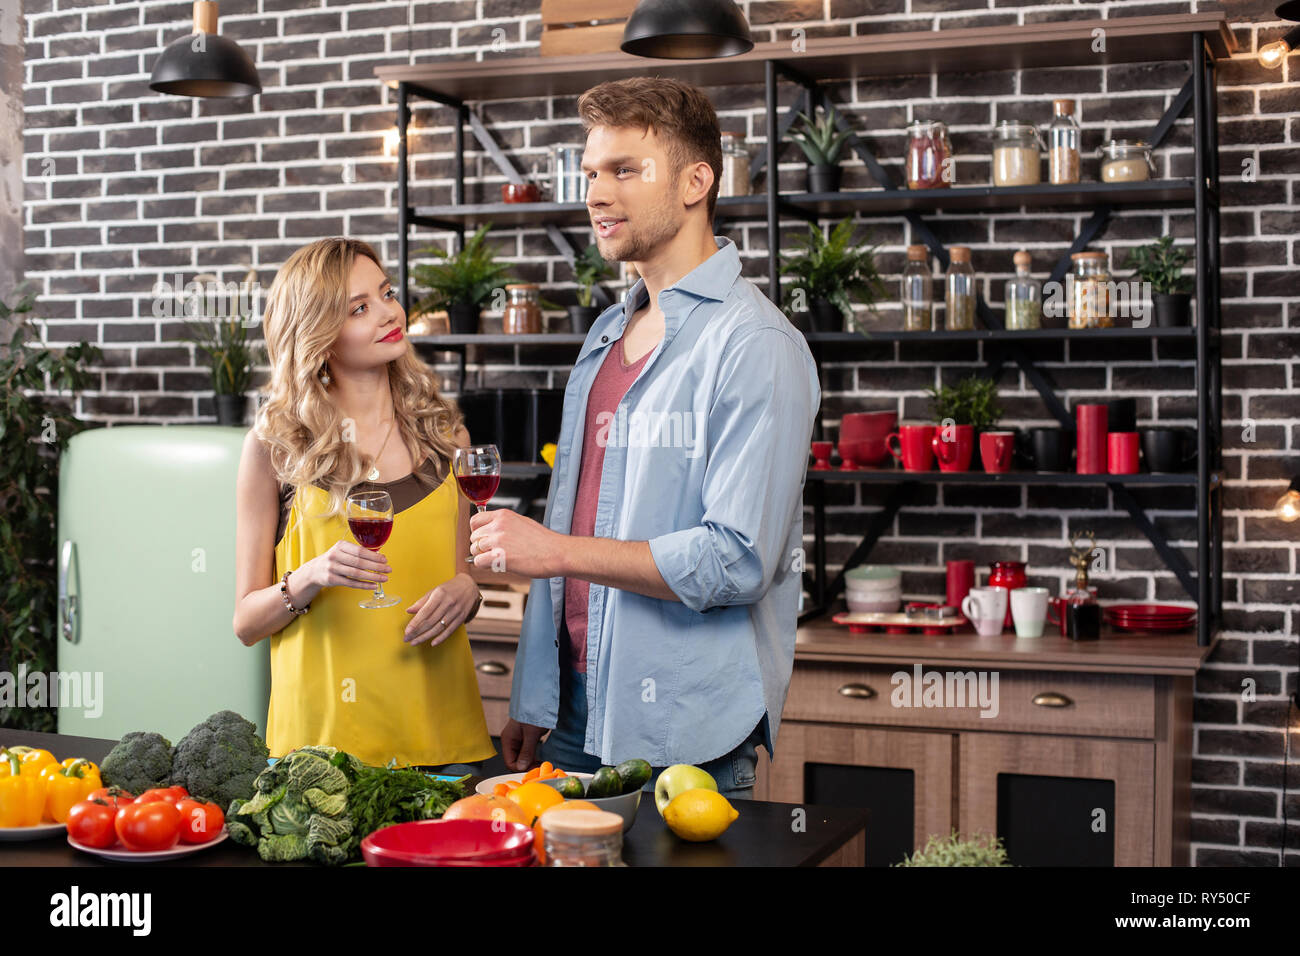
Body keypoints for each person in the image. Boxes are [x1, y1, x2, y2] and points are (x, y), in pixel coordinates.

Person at [469, 77, 820, 800]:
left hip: (683, 728)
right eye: (592, 173)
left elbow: (737, 560)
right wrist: (539, 697)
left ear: (697, 181)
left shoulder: (754, 345)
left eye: (625, 171)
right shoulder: (606, 334)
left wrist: (555, 553)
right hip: (572, 713)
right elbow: (578, 513)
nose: (596, 193)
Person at [232, 237, 494, 775]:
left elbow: (463, 583)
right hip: (324, 756)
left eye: (386, 293)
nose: (388, 313)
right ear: (319, 336)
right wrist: (309, 576)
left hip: (443, 740)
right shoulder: (274, 448)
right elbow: (246, 623)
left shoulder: (450, 438)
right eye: (359, 308)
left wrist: (468, 591)